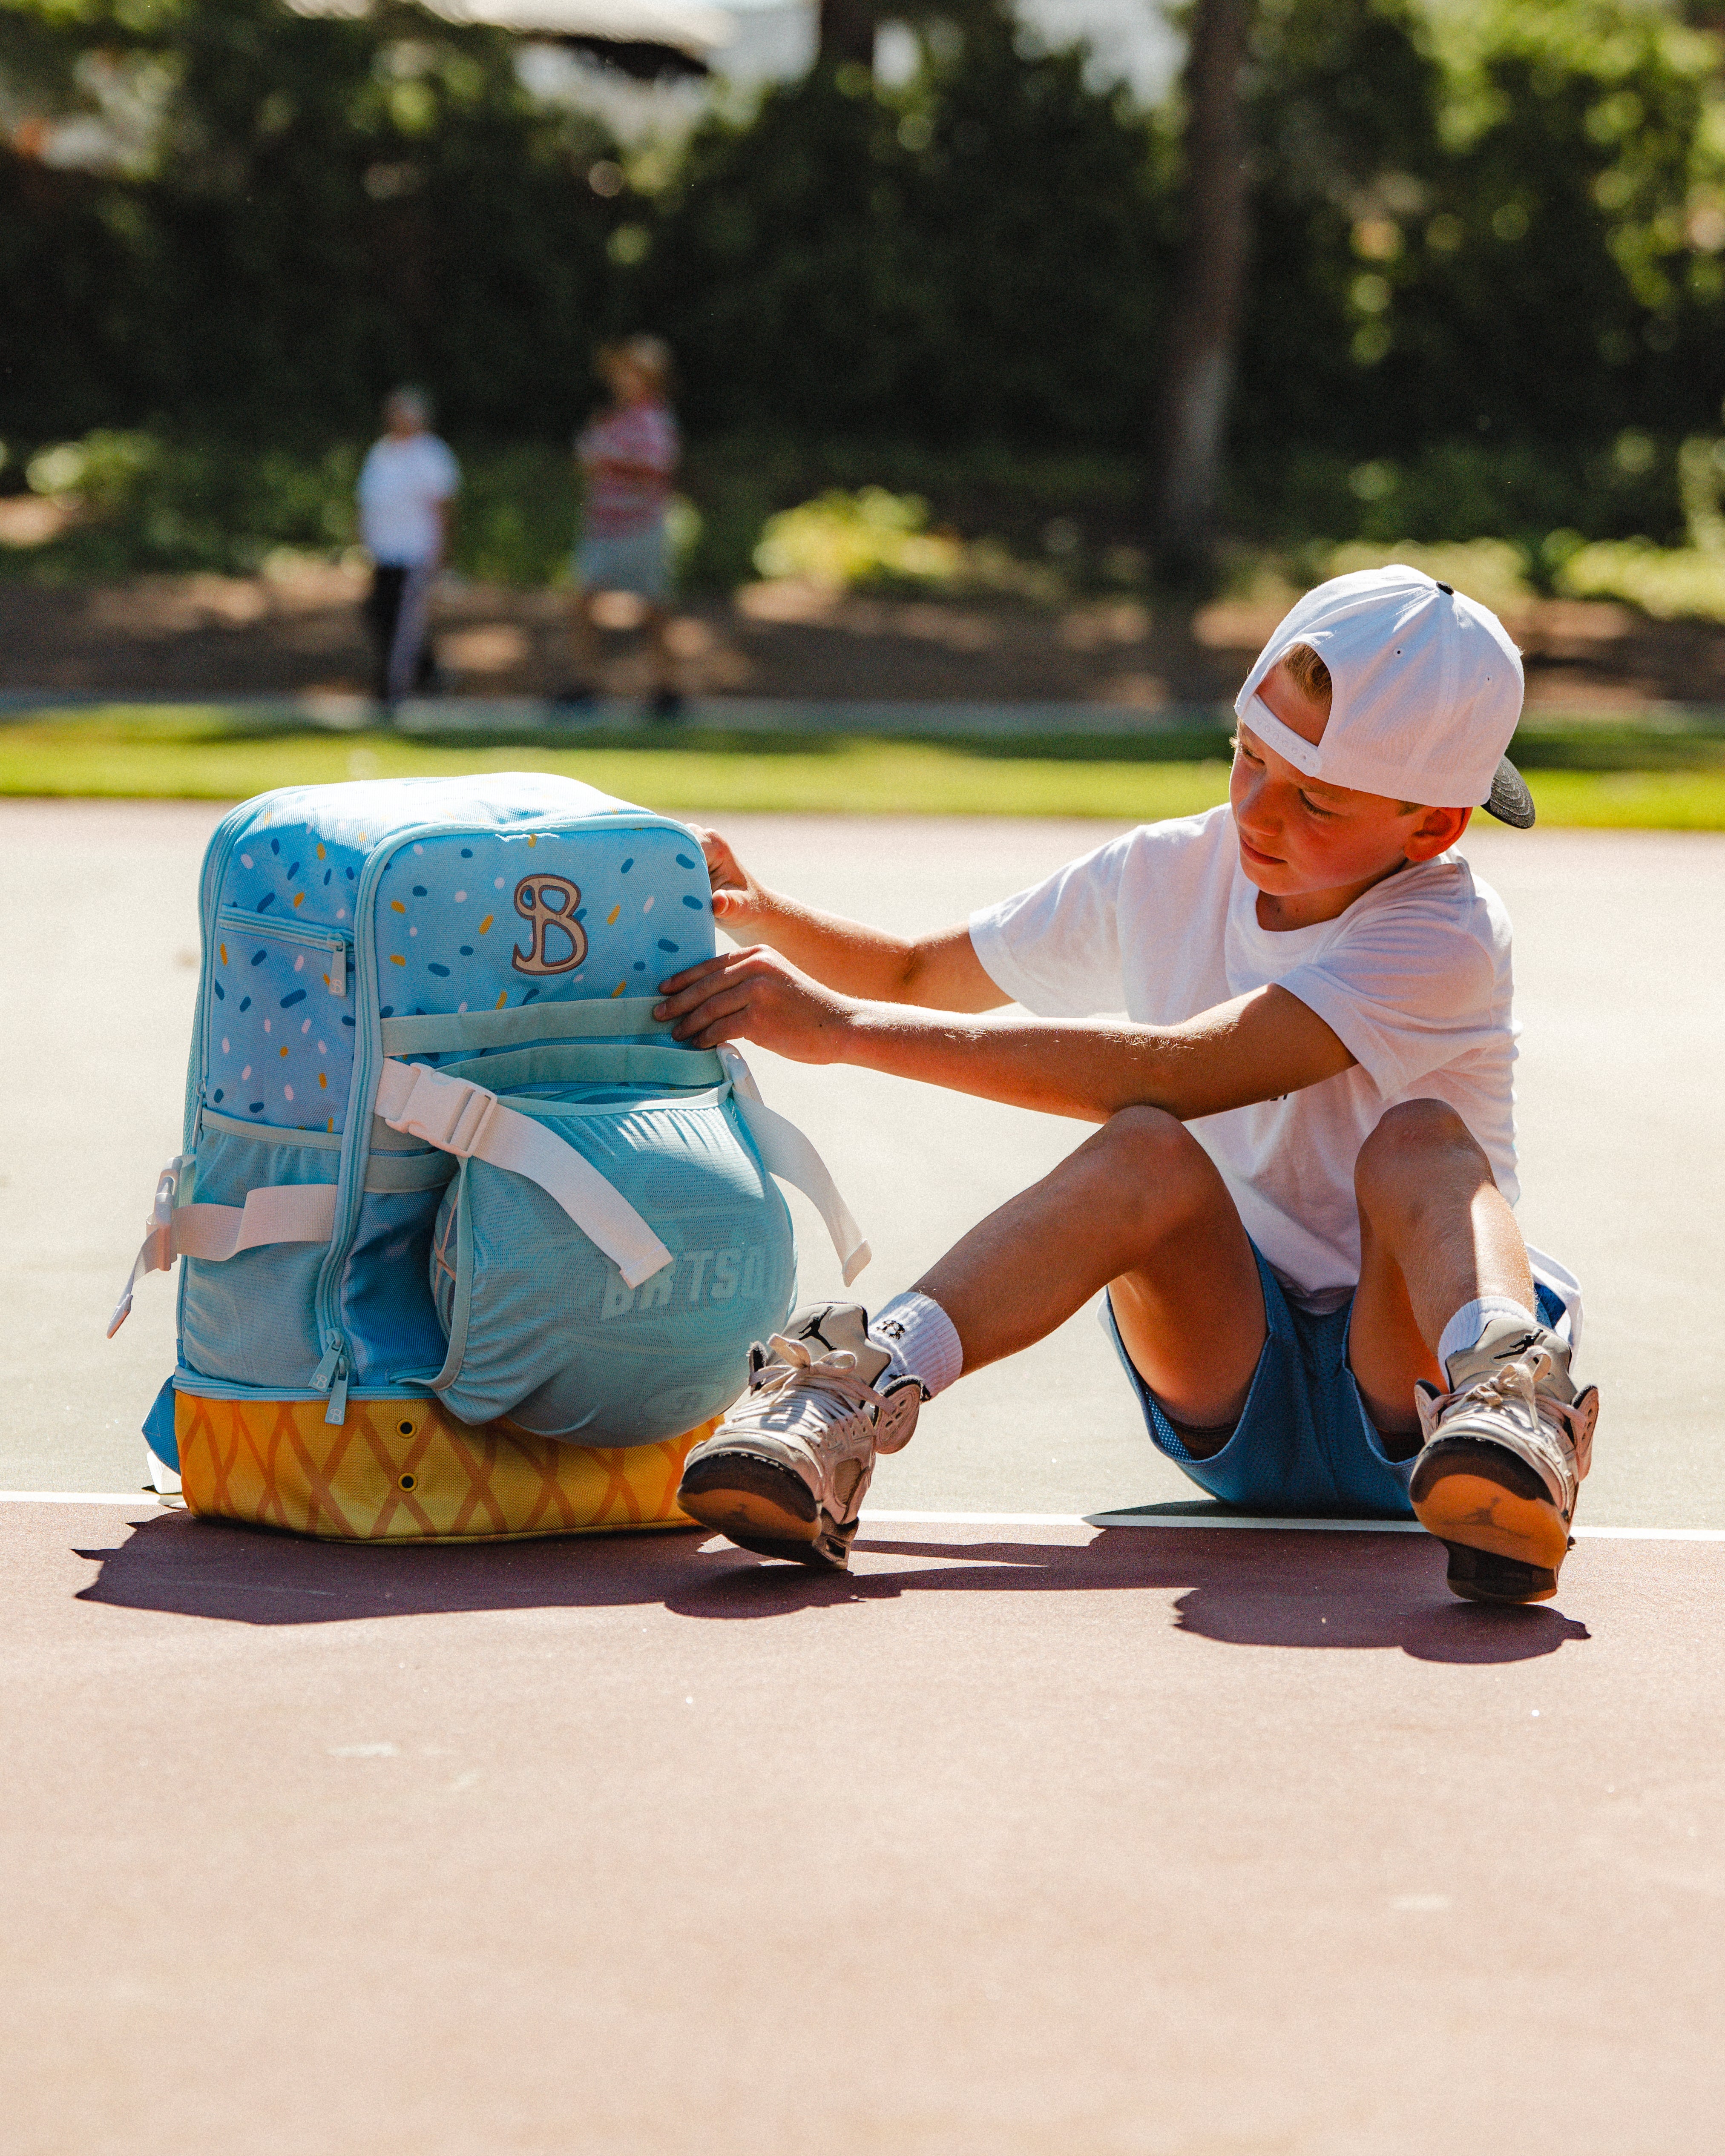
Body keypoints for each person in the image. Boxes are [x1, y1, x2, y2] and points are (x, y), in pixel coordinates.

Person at [653, 566, 1601, 1608]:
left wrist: (839, 1031)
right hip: (1226, 1371)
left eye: (1315, 800)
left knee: (1416, 1135)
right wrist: (763, 909)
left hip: (1416, 1389)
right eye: (1249, 755)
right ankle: (851, 1398)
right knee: (1143, 1150)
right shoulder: (1167, 868)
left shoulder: (1447, 929)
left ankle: (1508, 1401)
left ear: (1432, 830)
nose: (1256, 809)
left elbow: (1179, 1069)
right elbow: (919, 973)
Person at [556, 336, 683, 720]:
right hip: (603, 525)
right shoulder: (613, 418)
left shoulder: (656, 419)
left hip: (641, 527)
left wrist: (607, 463)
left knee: (653, 609)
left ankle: (666, 689)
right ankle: (586, 684)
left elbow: (657, 470)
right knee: (583, 602)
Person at [355, 387, 459, 709]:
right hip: (383, 553)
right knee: (378, 615)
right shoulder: (380, 453)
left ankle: (391, 691)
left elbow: (443, 507)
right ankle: (428, 672)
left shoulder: (431, 454)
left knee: (404, 623)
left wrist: (441, 553)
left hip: (414, 552)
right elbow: (366, 503)